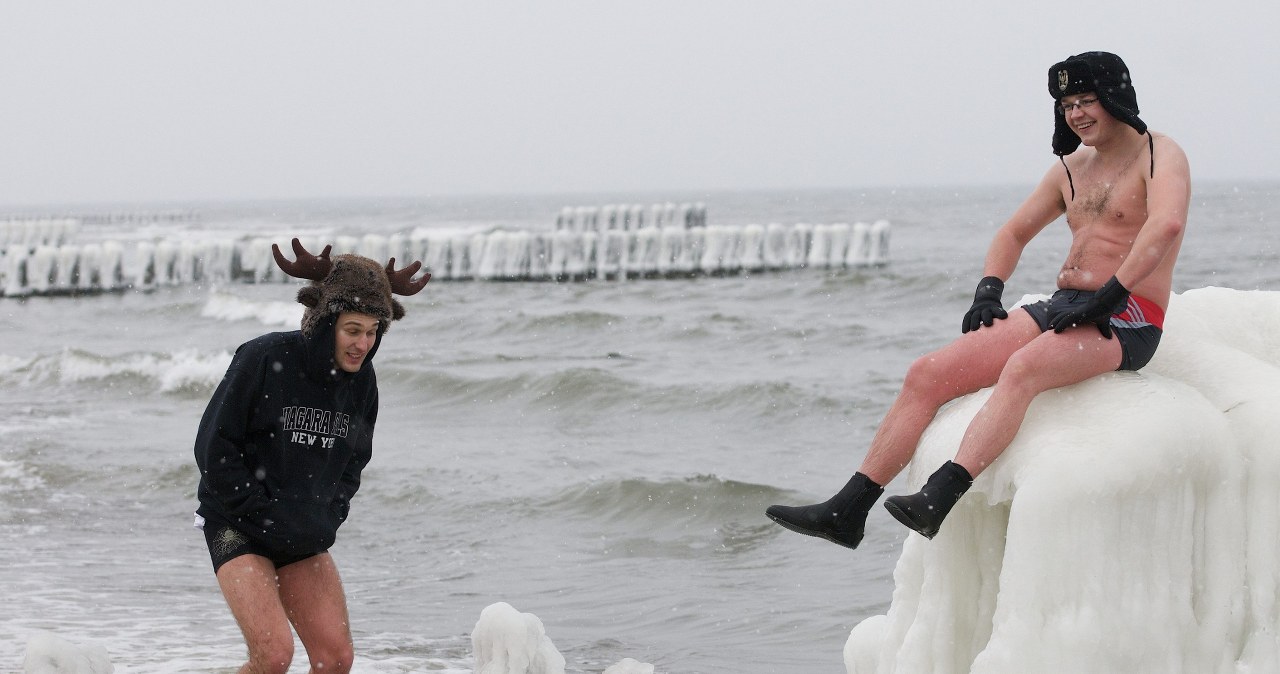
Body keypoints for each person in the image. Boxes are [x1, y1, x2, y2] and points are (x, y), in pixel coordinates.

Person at [766, 51, 1191, 547]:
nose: (1076, 113)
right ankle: (847, 510)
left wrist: (1112, 295)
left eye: (1087, 100)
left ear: (1115, 98)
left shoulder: (1161, 154)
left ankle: (939, 497)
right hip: (1067, 304)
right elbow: (1013, 232)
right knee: (926, 374)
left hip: (1129, 316)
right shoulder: (1071, 168)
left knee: (1023, 368)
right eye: (1067, 103)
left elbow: (1166, 225)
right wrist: (989, 289)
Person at [193, 239, 429, 674]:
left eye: (373, 331)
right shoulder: (263, 357)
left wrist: (328, 515)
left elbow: (353, 462)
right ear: (327, 324)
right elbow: (213, 447)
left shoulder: (362, 383)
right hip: (236, 523)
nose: (363, 343)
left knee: (335, 659)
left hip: (301, 531)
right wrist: (257, 511)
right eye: (353, 329)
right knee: (273, 655)